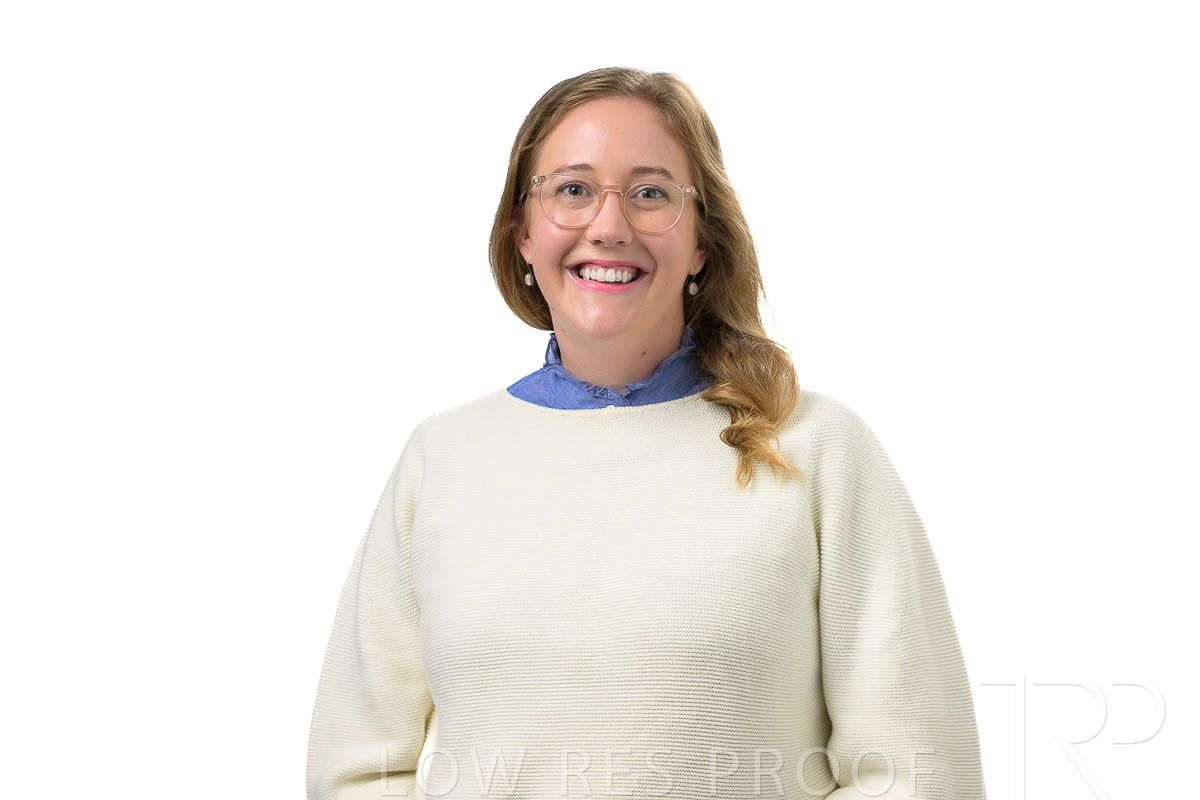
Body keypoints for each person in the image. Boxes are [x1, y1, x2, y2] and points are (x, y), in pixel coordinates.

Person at [306, 67, 987, 800]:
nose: (609, 225)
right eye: (572, 189)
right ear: (523, 234)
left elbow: (918, 770)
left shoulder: (818, 451)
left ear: (701, 243)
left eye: (651, 193)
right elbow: (356, 770)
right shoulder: (439, 462)